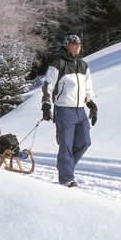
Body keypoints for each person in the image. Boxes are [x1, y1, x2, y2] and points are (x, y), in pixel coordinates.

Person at [41, 34, 98, 187]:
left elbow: (88, 88)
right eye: (74, 43)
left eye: (79, 43)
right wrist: (46, 104)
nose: (77, 46)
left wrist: (92, 104)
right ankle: (66, 178)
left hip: (80, 110)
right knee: (66, 144)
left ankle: (66, 167)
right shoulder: (58, 64)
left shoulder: (83, 65)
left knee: (85, 142)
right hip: (64, 110)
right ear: (67, 45)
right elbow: (48, 86)